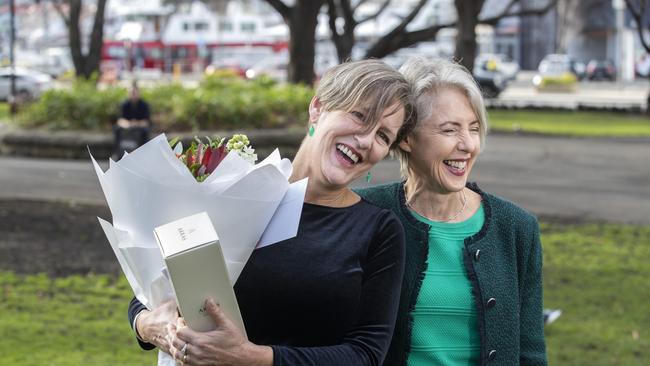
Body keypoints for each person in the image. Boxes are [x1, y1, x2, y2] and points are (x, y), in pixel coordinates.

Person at [127, 59, 416, 365]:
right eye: (360, 115)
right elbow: (154, 285)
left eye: (383, 136)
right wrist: (147, 325)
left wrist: (252, 357)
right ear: (317, 108)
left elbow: (366, 355)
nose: (366, 140)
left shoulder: (378, 230)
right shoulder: (235, 188)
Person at [357, 57, 547, 365]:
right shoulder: (366, 214)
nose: (468, 144)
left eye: (473, 128)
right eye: (449, 130)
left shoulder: (516, 228)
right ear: (406, 137)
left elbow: (530, 353)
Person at [113, 83, 151, 158]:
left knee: (146, 131)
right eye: (132, 93)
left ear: (139, 93)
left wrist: (136, 124)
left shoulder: (144, 105)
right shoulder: (124, 104)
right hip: (127, 126)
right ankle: (117, 153)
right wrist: (129, 124)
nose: (133, 95)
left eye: (135, 93)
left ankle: (144, 153)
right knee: (116, 129)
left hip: (140, 126)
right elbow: (120, 120)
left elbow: (146, 121)